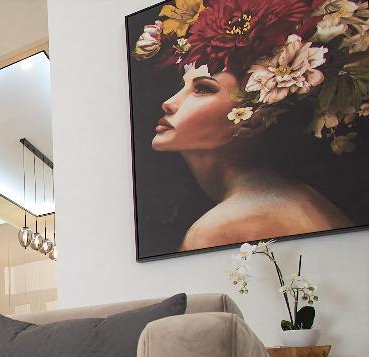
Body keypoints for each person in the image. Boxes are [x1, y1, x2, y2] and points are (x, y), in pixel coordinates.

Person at [133, 0, 366, 252]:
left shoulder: (221, 228)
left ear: (254, 120)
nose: (169, 103)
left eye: (203, 89)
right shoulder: (296, 197)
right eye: (184, 87)